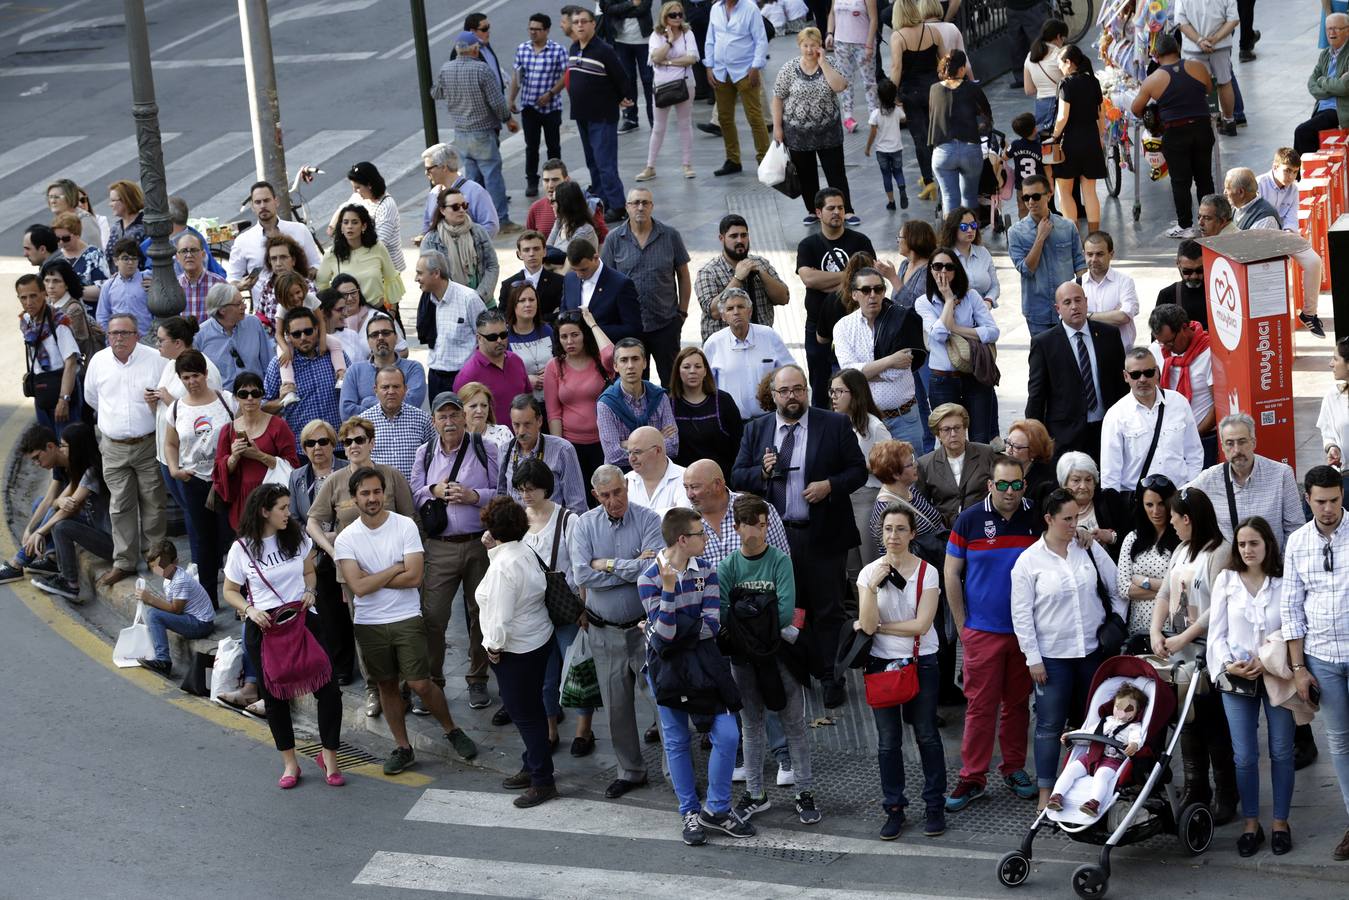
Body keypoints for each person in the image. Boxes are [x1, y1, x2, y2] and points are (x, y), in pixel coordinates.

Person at [732, 364, 868, 707]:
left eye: (798, 389)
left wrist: (830, 486)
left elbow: (857, 471)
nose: (792, 396)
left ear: (807, 390)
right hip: (776, 540)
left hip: (822, 534)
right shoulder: (757, 429)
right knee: (789, 608)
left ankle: (829, 675)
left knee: (829, 609)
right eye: (785, 391)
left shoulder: (834, 424)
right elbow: (737, 476)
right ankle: (799, 670)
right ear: (773, 395)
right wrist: (761, 474)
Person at [336, 466, 479, 774]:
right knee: (387, 685)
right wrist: (391, 570)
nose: (373, 498)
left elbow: (414, 577)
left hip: (406, 617)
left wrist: (372, 577)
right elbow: (357, 588)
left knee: (420, 683)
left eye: (377, 492)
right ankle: (403, 747)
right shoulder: (346, 538)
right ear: (354, 499)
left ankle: (452, 730)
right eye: (365, 493)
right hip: (369, 622)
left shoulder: (405, 526)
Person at [635, 506, 753, 842]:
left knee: (728, 734)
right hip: (667, 670)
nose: (706, 539)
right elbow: (666, 636)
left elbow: (712, 626)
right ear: (683, 539)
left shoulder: (707, 571)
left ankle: (716, 809)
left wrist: (670, 629)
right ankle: (689, 811)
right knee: (676, 740)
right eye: (700, 534)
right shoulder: (649, 579)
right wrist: (671, 592)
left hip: (705, 664)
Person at [221, 484, 344, 788]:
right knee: (275, 698)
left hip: (304, 622)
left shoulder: (297, 536)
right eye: (282, 508)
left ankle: (329, 757)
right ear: (264, 511)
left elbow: (309, 572)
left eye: (289, 507)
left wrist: (310, 591)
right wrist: (249, 610)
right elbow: (229, 591)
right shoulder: (242, 548)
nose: (289, 513)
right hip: (265, 629)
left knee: (329, 690)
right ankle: (290, 764)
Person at [1011, 487, 1126, 808]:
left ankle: (1088, 786)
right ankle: (1047, 791)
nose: (1074, 525)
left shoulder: (1087, 548)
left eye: (1077, 518)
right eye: (1067, 519)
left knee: (1092, 723)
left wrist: (1116, 622)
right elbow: (1021, 616)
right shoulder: (1028, 562)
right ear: (1048, 519)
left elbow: (1117, 587)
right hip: (1052, 657)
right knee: (1049, 724)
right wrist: (1033, 658)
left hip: (1092, 652)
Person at [944, 456, 1042, 811]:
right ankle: (973, 777)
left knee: (1017, 705)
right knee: (980, 707)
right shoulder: (969, 520)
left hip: (1025, 633)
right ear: (990, 485)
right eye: (1002, 485)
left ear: (1024, 485)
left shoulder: (1037, 517)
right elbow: (951, 573)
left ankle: (1014, 768)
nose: (1010, 492)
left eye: (1016, 485)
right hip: (982, 632)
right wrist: (962, 627)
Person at [718, 494, 821, 826]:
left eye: (763, 526)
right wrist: (761, 609)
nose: (758, 533)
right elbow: (723, 614)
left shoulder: (780, 560)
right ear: (737, 528)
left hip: (779, 655)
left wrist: (746, 611)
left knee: (794, 725)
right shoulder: (728, 566)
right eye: (752, 526)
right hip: (745, 659)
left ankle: (804, 791)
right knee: (751, 726)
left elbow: (786, 611)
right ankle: (755, 793)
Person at [308, 416, 416, 716]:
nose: (353, 446)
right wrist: (332, 550)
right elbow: (313, 521)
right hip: (355, 574)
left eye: (359, 439)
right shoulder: (335, 481)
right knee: (365, 633)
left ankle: (404, 688)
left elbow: (411, 520)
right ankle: (374, 689)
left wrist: (412, 563)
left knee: (402, 628)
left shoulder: (391, 476)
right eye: (348, 441)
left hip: (396, 569)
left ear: (371, 442)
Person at [570, 465, 664, 798]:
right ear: (596, 495)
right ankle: (631, 771)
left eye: (618, 492)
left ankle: (674, 771)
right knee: (616, 708)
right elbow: (582, 573)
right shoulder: (583, 525)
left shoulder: (650, 519)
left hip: (645, 628)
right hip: (604, 631)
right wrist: (630, 566)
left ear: (627, 486)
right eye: (606, 496)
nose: (614, 501)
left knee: (661, 701)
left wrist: (606, 563)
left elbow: (652, 568)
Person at [1208, 516, 1298, 857]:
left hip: (1276, 674)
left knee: (1281, 750)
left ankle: (1279, 822)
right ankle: (1251, 823)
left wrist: (1267, 657)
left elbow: (1293, 624)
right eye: (1242, 544)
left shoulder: (1283, 579)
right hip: (1237, 676)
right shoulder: (1227, 580)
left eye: (1254, 543)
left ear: (1267, 545)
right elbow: (1215, 634)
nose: (1247, 549)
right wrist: (1229, 664)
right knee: (1244, 756)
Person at [1149, 486, 1238, 823]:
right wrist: (1158, 632)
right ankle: (1196, 785)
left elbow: (1218, 606)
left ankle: (1226, 791)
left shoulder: (1220, 552)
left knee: (1213, 724)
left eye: (1174, 519)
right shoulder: (1182, 550)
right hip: (1178, 650)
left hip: (1207, 651)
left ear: (1188, 519)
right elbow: (1165, 594)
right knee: (1187, 722)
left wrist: (1184, 636)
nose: (1170, 524)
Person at [859, 502, 947, 838]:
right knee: (888, 741)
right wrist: (872, 588)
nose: (893, 536)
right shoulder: (869, 573)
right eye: (888, 529)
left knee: (926, 733)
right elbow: (867, 625)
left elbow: (922, 625)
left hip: (921, 661)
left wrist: (882, 626)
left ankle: (934, 804)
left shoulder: (928, 572)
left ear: (912, 534)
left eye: (900, 529)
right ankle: (894, 807)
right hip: (881, 665)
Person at [407, 392, 499, 711]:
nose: (449, 422)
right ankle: (433, 684)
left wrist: (473, 496)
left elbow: (500, 493)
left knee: (480, 614)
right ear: (434, 421)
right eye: (442, 416)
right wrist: (434, 490)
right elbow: (414, 494)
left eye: (454, 415)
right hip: (439, 546)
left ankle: (477, 680)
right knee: (433, 616)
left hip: (479, 543)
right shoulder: (425, 453)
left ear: (464, 418)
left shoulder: (484, 448)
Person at [473, 496, 559, 807]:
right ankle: (531, 764)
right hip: (538, 640)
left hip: (515, 651)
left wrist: (493, 647)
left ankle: (541, 779)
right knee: (533, 709)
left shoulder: (503, 567)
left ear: (492, 529)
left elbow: (499, 615)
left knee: (526, 716)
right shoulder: (524, 551)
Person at [1283, 465, 1349, 861]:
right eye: (1320, 501)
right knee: (1339, 743)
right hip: (1321, 659)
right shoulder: (1297, 544)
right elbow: (1291, 609)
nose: (1327, 509)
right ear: (1307, 499)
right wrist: (1298, 668)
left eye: (1334, 500)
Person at [513, 457, 594, 752]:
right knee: (545, 678)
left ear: (546, 488)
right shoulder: (519, 520)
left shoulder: (568, 519)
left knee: (578, 669)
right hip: (533, 610)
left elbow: (580, 568)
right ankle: (550, 730)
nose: (526, 495)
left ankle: (584, 729)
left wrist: (583, 608)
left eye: (531, 489)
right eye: (522, 489)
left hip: (565, 607)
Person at [82, 314, 164, 587]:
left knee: (153, 501)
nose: (118, 338)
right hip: (113, 446)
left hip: (148, 442)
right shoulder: (99, 361)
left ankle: (155, 557)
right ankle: (125, 562)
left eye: (124, 333)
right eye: (113, 333)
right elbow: (91, 397)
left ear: (136, 335)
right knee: (120, 505)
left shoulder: (154, 359)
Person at [1026, 281, 1126, 463]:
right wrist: (1033, 435)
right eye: (1067, 302)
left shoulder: (1109, 335)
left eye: (1078, 300)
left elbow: (1121, 385)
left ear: (1086, 302)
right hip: (1065, 434)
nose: (1074, 306)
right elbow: (1037, 394)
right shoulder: (1044, 344)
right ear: (1058, 308)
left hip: (1107, 429)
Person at [161, 349, 232, 606]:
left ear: (205, 374)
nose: (191, 382)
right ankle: (208, 599)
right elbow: (170, 443)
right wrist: (174, 469)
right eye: (186, 377)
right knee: (204, 542)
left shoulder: (226, 401)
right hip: (195, 480)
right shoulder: (178, 408)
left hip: (227, 479)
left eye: (195, 376)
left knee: (232, 538)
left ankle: (240, 598)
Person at [601, 188, 692, 385]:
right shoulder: (614, 239)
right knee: (634, 384)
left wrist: (682, 313)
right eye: (635, 203)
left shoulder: (670, 235)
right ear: (627, 207)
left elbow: (683, 276)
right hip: (629, 327)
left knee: (673, 383)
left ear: (652, 206)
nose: (640, 207)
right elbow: (605, 282)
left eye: (645, 203)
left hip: (665, 324)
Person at [1130, 33, 1215, 239]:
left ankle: (1185, 225)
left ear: (1156, 55)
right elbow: (1209, 90)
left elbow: (1135, 108)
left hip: (1176, 133)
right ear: (1178, 48)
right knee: (1204, 178)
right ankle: (1212, 222)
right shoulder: (1198, 68)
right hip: (1203, 128)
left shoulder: (1153, 80)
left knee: (1180, 180)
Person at [1224, 166, 1327, 337]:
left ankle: (1309, 313)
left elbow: (1292, 215)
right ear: (1275, 168)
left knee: (1314, 261)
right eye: (1287, 171)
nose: (1291, 176)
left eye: (1295, 172)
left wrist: (1288, 232)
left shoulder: (1293, 188)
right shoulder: (1258, 183)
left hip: (1282, 233)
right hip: (1265, 233)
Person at [288, 420, 354, 684]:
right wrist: (313, 536)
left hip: (346, 546)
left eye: (323, 441)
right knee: (326, 611)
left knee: (349, 608)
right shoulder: (297, 477)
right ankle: (340, 666)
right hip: (315, 552)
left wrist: (335, 535)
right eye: (310, 443)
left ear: (333, 443)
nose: (317, 448)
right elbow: (292, 517)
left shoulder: (347, 470)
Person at [433, 32, 519, 231]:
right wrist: (508, 119)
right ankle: (501, 219)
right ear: (475, 49)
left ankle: (473, 217)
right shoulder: (482, 70)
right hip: (482, 132)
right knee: (492, 176)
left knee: (471, 179)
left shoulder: (446, 69)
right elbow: (497, 102)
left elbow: (436, 92)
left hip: (461, 133)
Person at [797, 188, 876, 405]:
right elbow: (809, 279)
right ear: (818, 212)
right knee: (821, 387)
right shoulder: (808, 245)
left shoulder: (861, 241)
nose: (837, 212)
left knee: (856, 387)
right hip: (818, 327)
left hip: (858, 324)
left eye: (840, 208)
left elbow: (870, 279)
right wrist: (851, 275)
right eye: (830, 208)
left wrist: (828, 281)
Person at [835, 266, 927, 447]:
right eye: (866, 290)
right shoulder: (843, 327)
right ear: (854, 294)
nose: (873, 295)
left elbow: (897, 372)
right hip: (865, 422)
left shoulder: (902, 319)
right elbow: (848, 374)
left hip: (904, 419)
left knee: (912, 473)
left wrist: (863, 374)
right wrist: (890, 360)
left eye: (878, 289)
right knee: (867, 474)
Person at [773, 28, 857, 225]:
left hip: (828, 132)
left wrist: (823, 63)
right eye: (805, 45)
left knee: (835, 173)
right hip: (797, 133)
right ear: (799, 46)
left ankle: (847, 210)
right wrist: (778, 127)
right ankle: (813, 210)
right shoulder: (789, 68)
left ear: (820, 46)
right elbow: (777, 97)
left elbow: (839, 86)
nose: (809, 50)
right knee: (806, 174)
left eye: (813, 45)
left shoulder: (831, 63)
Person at [916, 247, 999, 442]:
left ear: (957, 270)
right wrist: (948, 301)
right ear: (930, 270)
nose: (943, 272)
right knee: (949, 441)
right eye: (937, 266)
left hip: (974, 374)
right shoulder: (923, 302)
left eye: (949, 267)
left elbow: (993, 331)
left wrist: (957, 328)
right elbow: (939, 335)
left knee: (980, 439)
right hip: (943, 380)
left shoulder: (971, 296)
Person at [1188, 413, 1306, 548]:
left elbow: (1295, 529)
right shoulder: (1210, 478)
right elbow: (1177, 499)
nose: (1237, 450)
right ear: (1222, 447)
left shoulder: (1281, 474)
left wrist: (1282, 565)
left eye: (1242, 441)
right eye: (1230, 443)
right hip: (1231, 566)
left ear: (1253, 442)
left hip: (1274, 565)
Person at [27, 424, 115, 601]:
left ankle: (70, 584)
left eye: (64, 445)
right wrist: (59, 501)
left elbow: (67, 511)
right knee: (53, 516)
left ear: (77, 447)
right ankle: (53, 560)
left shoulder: (92, 472)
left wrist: (39, 532)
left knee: (62, 527)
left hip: (111, 543)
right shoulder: (79, 470)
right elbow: (57, 504)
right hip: (94, 526)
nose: (61, 449)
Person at [1101, 348, 1205, 496]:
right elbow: (1110, 473)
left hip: (1178, 495)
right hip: (1138, 502)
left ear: (1157, 372)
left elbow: (1194, 452)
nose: (1142, 379)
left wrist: (1187, 488)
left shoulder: (1179, 402)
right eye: (1136, 374)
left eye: (1148, 373)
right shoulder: (1115, 415)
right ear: (1126, 376)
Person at [566, 8, 634, 220]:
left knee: (605, 163)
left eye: (584, 21)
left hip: (602, 116)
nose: (579, 25)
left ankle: (618, 205)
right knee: (592, 162)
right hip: (582, 116)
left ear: (593, 24)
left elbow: (622, 78)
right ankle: (601, 201)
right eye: (576, 22)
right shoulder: (573, 48)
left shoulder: (603, 50)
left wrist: (622, 97)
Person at [211, 370, 300, 532]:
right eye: (243, 394)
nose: (250, 398)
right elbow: (219, 470)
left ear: (261, 396)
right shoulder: (228, 430)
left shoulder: (278, 426)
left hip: (272, 497)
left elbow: (292, 465)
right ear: (236, 398)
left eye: (255, 393)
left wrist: (259, 455)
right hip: (242, 499)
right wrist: (234, 457)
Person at [1045, 683, 1148, 816]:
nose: (1121, 712)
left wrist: (1134, 745)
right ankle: (1056, 796)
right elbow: (1088, 732)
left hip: (1112, 760)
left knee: (1102, 776)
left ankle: (1093, 803)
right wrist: (1071, 736)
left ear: (1137, 711)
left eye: (1128, 709)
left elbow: (1137, 738)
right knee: (1070, 770)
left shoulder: (1133, 727)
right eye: (1118, 707)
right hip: (1090, 756)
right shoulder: (1105, 721)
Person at [1009, 174, 1086, 337]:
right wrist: (1040, 237)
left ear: (1049, 195)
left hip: (1069, 310)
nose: (1031, 202)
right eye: (1026, 197)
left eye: (1036, 196)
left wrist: (1084, 300)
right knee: (1043, 361)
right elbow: (1026, 270)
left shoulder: (1068, 227)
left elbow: (1080, 266)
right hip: (1038, 312)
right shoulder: (1015, 233)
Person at [544, 308, 615, 485]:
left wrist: (592, 323)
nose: (569, 341)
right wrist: (560, 449)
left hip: (603, 442)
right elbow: (553, 413)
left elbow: (612, 355)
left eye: (575, 335)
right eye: (564, 336)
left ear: (585, 334)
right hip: (572, 445)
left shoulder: (600, 361)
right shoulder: (554, 366)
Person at [701, 289, 793, 423]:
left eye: (741, 307)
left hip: (770, 418)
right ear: (723, 316)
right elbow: (706, 384)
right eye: (730, 309)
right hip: (731, 422)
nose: (736, 312)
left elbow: (790, 371)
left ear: (750, 312)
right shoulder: (714, 343)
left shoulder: (768, 336)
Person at [695, 214, 790, 342]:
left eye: (744, 235)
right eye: (734, 236)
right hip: (725, 346)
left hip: (761, 341)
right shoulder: (709, 272)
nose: (740, 240)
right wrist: (738, 279)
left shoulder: (760, 262)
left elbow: (783, 298)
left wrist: (762, 273)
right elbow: (715, 312)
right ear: (721, 238)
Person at [262, 307, 346, 450]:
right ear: (288, 336)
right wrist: (281, 402)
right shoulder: (279, 365)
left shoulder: (335, 356)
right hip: (302, 449)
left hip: (338, 445)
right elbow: (262, 408)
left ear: (317, 329)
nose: (303, 338)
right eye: (296, 334)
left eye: (308, 331)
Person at [705, 0, 771, 178]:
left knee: (755, 117)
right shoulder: (715, 9)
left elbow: (760, 39)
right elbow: (710, 39)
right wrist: (709, 65)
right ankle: (732, 160)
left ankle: (764, 160)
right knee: (725, 118)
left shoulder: (750, 8)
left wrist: (756, 66)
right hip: (721, 70)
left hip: (745, 70)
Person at [1047, 44, 1106, 232]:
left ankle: (1073, 236)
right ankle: (1094, 234)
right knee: (1090, 190)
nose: (1059, 68)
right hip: (1091, 140)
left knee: (1064, 190)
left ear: (1069, 62)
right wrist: (1101, 136)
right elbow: (1101, 114)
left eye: (1060, 64)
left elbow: (1063, 116)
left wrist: (1054, 136)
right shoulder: (1093, 81)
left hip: (1069, 142)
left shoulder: (1066, 84)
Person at [134, 540, 216, 675]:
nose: (159, 571)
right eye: (155, 567)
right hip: (190, 617)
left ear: (175, 562)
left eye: (162, 567)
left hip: (201, 624)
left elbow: (176, 610)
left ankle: (163, 661)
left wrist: (150, 599)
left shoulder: (180, 580)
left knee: (154, 615)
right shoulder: (170, 577)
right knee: (154, 613)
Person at [1149, 303, 1216, 467]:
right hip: (1168, 439)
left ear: (1184, 328)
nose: (1166, 348)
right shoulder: (1157, 350)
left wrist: (1192, 436)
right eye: (1161, 343)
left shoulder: (1210, 353)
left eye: (1170, 342)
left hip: (1203, 439)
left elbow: (1219, 406)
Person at [889, 1, 944, 202]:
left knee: (920, 138)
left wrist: (892, 95)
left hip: (911, 92)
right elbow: (944, 61)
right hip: (934, 90)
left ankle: (928, 180)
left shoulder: (898, 36)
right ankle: (941, 175)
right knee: (936, 135)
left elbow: (896, 68)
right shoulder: (933, 32)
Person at [510, 13, 569, 199]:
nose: (533, 33)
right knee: (531, 146)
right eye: (531, 29)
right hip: (529, 107)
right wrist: (511, 98)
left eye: (537, 29)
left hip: (551, 108)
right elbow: (517, 76)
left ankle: (557, 180)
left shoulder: (557, 50)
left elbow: (567, 75)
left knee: (553, 146)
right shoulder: (523, 49)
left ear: (547, 30)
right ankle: (532, 181)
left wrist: (551, 93)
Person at [417, 250, 488, 400]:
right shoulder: (427, 300)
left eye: (420, 273)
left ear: (436, 273)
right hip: (435, 377)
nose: (416, 279)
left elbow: (487, 338)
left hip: (465, 378)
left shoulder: (469, 299)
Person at [224, 181, 321, 292]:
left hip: (299, 301)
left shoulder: (299, 230)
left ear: (276, 202)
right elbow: (232, 279)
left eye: (266, 200)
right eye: (257, 202)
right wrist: (241, 285)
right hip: (265, 305)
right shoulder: (243, 241)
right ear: (252, 207)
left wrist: (308, 275)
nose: (263, 206)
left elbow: (316, 264)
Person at [17, 273, 81, 437]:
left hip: (61, 388)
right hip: (41, 390)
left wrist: (64, 399)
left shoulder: (59, 322)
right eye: (23, 298)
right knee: (49, 443)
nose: (29, 302)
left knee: (67, 445)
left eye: (33, 296)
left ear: (44, 293)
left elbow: (71, 362)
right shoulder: (25, 321)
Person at [597, 338, 679, 466]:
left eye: (635, 359)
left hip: (657, 473)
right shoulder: (606, 404)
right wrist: (655, 441)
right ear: (615, 366)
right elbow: (613, 455)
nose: (630, 366)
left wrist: (625, 444)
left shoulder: (660, 397)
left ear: (645, 363)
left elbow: (673, 446)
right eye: (624, 360)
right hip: (622, 477)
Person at [639, 2, 698, 181]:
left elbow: (692, 58)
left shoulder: (688, 33)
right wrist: (670, 41)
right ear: (665, 17)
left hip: (685, 84)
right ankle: (650, 166)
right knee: (658, 127)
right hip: (662, 86)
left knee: (685, 124)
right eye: (673, 15)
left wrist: (669, 62)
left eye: (680, 14)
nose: (678, 17)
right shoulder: (656, 35)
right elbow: (655, 57)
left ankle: (687, 165)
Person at [915, 401, 1000, 526]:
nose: (953, 434)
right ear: (938, 434)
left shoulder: (986, 453)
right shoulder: (925, 464)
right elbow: (921, 506)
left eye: (957, 428)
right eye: (946, 429)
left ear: (965, 428)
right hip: (946, 531)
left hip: (984, 525)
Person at [1116, 474, 1181, 635]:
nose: (1155, 511)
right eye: (1149, 505)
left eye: (1161, 504)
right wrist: (1167, 591)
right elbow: (1124, 589)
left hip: (1174, 629)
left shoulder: (1181, 538)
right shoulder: (1132, 539)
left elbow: (1182, 586)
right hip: (1139, 629)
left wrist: (1144, 581)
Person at [927, 50, 991, 214]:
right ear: (962, 69)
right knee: (969, 198)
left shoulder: (934, 90)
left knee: (949, 198)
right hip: (970, 150)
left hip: (942, 152)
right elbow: (987, 115)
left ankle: (952, 237)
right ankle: (970, 235)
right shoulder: (972, 88)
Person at [315, 205, 404, 319]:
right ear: (341, 227)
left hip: (377, 313)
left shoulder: (377, 248)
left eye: (355, 222)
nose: (349, 227)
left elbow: (391, 278)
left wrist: (392, 310)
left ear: (364, 226)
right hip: (346, 317)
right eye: (345, 222)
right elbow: (321, 285)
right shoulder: (332, 254)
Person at [669, 347, 743, 475]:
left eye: (698, 366)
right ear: (678, 372)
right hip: (682, 480)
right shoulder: (668, 404)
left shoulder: (723, 400)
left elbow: (739, 443)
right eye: (686, 367)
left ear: (705, 371)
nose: (692, 371)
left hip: (721, 477)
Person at [421, 186, 499, 305]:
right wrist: (454, 301)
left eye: (464, 205)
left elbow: (492, 265)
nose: (461, 210)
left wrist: (479, 297)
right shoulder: (431, 240)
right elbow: (429, 275)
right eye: (455, 207)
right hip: (450, 305)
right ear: (442, 210)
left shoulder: (479, 232)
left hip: (483, 302)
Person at [453, 309, 533, 424]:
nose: (500, 340)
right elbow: (460, 418)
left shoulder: (516, 361)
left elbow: (527, 398)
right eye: (492, 337)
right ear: (479, 338)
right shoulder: (467, 375)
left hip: (521, 438)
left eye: (503, 334)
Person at [340, 313, 426, 420]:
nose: (380, 338)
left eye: (386, 333)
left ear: (396, 337)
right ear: (368, 341)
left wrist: (367, 401)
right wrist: (390, 406)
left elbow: (411, 405)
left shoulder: (413, 369)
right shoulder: (354, 371)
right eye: (374, 335)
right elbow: (346, 412)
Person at [559, 238, 644, 344]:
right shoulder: (569, 279)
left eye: (583, 269)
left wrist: (592, 330)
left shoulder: (621, 284)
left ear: (596, 258)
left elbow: (633, 329)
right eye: (574, 269)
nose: (579, 275)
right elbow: (563, 314)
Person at [1176, 0, 1240, 134]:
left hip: (1194, 47)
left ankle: (1203, 123)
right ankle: (1229, 121)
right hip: (1221, 45)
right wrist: (1215, 39)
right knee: (1225, 82)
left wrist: (1199, 40)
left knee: (1199, 86)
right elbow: (1233, 19)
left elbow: (1180, 21)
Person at [328, 162, 406, 272]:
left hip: (386, 267)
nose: (355, 191)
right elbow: (344, 208)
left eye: (358, 187)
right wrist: (332, 226)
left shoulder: (386, 206)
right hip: (363, 261)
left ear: (369, 185)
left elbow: (380, 241)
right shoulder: (359, 197)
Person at [420, 143, 500, 238]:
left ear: (443, 167)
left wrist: (466, 244)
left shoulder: (475, 191)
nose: (426, 173)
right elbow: (427, 225)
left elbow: (491, 226)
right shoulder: (433, 193)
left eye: (429, 169)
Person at [1057, 451, 1124, 561]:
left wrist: (1111, 537)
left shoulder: (1109, 500)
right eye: (1076, 480)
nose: (1083, 486)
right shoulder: (1055, 507)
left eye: (1088, 480)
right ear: (1064, 483)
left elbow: (1133, 537)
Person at [527, 159, 612, 246]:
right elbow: (529, 244)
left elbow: (604, 243)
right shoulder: (535, 208)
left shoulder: (586, 207)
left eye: (555, 180)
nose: (550, 185)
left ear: (567, 180)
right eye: (546, 180)